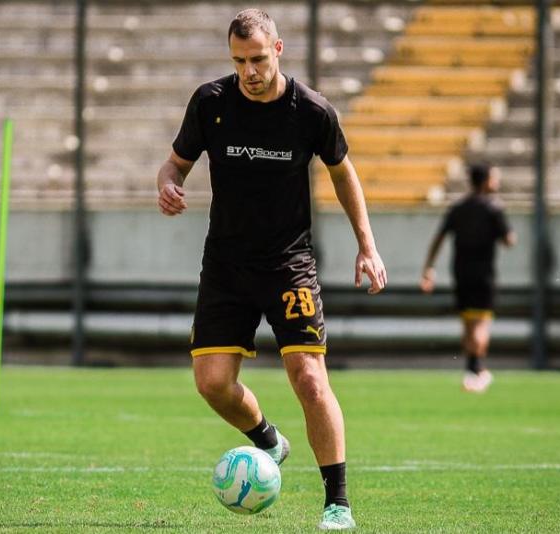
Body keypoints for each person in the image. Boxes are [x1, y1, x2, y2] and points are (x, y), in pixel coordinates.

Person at [156, 8, 386, 530]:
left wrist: (366, 246)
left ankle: (338, 503)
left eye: (258, 59)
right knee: (212, 383)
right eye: (239, 61)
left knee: (308, 376)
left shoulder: (310, 111)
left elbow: (344, 175)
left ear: (277, 50)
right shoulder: (211, 102)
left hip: (289, 265)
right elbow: (176, 163)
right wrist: (167, 184)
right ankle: (268, 440)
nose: (249, 71)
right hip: (225, 266)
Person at [420, 163, 516, 393]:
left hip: (460, 273)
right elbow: (509, 240)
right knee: (481, 323)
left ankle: (472, 369)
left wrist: (428, 268)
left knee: (467, 323)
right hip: (484, 275)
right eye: (495, 178)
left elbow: (439, 238)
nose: (497, 182)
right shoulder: (494, 208)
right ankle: (477, 371)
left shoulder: (458, 208)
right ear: (486, 181)